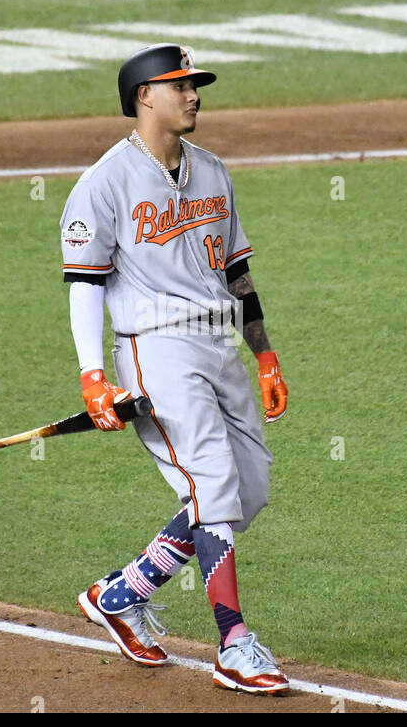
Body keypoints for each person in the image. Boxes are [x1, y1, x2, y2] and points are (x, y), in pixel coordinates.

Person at [60, 43, 290, 694]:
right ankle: (235, 644)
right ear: (144, 98)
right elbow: (84, 284)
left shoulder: (213, 171)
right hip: (154, 349)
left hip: (220, 345)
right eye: (180, 85)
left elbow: (237, 273)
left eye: (196, 86)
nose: (194, 95)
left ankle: (120, 594)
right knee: (213, 480)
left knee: (247, 491)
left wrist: (265, 354)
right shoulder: (103, 184)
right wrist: (91, 376)